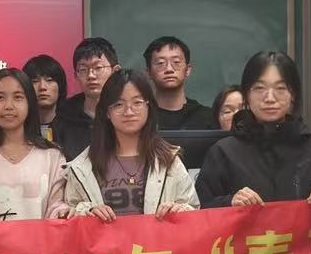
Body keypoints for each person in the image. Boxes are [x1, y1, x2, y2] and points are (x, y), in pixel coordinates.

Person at [197, 53, 311, 209]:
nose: (270, 98)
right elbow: (200, 208)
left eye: (280, 88)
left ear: (293, 95)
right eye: (259, 88)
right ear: (247, 95)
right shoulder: (224, 152)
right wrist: (230, 201)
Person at [58, 69, 197, 220]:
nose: (129, 112)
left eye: (137, 103)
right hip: (102, 237)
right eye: (119, 104)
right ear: (107, 112)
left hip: (157, 237)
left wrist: (181, 210)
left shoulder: (168, 160)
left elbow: (194, 211)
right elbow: (69, 213)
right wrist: (87, 211)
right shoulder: (83, 166)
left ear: (149, 107)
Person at [0, 68, 70, 221]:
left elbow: (58, 206)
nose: (8, 106)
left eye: (18, 97)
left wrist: (64, 212)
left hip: (39, 237)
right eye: (0, 97)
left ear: (29, 103)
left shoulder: (53, 156)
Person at [24, 53, 92, 159]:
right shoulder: (20, 128)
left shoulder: (78, 127)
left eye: (49, 80)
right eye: (35, 81)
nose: (42, 87)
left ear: (60, 85)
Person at [144, 36, 217, 131]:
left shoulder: (208, 117)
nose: (169, 69)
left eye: (176, 62)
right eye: (161, 63)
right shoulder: (140, 116)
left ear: (188, 70)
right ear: (149, 73)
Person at [65, 37, 120, 130]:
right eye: (83, 69)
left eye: (98, 68)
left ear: (115, 71)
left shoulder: (129, 114)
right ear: (76, 76)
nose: (91, 75)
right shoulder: (64, 116)